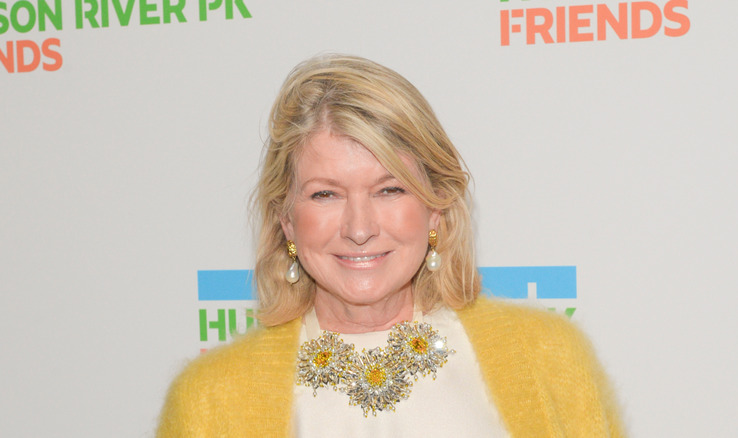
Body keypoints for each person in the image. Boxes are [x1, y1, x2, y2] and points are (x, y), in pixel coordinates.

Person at [157, 54, 624, 437]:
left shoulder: (547, 357)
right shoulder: (210, 399)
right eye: (326, 194)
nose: (359, 228)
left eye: (389, 189)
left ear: (435, 207)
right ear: (286, 220)